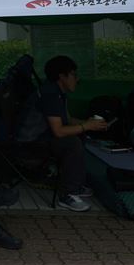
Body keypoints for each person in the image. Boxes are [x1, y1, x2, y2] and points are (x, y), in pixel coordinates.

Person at [39, 55, 108, 212]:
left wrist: (89, 123)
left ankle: (76, 184)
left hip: (46, 137)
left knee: (79, 134)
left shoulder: (58, 92)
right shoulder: (50, 94)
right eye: (74, 75)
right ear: (62, 76)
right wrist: (85, 126)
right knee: (72, 142)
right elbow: (58, 131)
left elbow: (68, 119)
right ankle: (68, 194)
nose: (77, 79)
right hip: (34, 142)